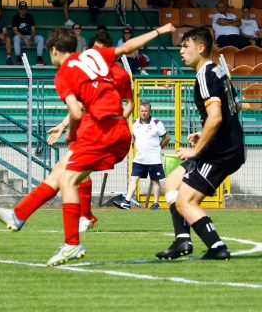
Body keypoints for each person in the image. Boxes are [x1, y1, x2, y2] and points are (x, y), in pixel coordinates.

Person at [0, 23, 176, 266]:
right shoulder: (93, 55)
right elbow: (129, 46)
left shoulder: (63, 74)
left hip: (101, 129)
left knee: (68, 180)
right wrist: (160, 31)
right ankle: (18, 215)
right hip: (112, 128)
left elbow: (76, 112)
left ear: (53, 50)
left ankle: (72, 244)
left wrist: (71, 134)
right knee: (59, 173)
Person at [156, 26, 244, 261]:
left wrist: (196, 149)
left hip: (221, 152)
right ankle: (182, 241)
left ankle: (217, 247)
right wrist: (203, 131)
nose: (181, 51)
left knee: (186, 200)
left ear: (201, 48)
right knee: (172, 184)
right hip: (222, 145)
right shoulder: (218, 71)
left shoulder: (205, 74)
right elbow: (236, 107)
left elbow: (216, 117)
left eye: (185, 46)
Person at [46, 30, 135, 233]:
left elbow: (130, 102)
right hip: (87, 125)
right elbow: (79, 106)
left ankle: (82, 220)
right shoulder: (87, 71)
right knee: (75, 173)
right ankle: (85, 217)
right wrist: (62, 125)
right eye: (94, 49)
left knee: (72, 172)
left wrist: (119, 120)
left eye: (101, 50)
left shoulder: (120, 74)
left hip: (105, 129)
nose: (97, 54)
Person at [113, 101, 170, 210]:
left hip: (154, 160)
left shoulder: (157, 123)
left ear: (150, 111)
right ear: (139, 111)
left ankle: (156, 204)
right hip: (139, 159)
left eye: (146, 111)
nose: (144, 113)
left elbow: (166, 138)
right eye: (142, 111)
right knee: (133, 179)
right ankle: (127, 202)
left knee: (155, 181)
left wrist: (159, 148)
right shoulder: (135, 124)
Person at [12, 1, 45, 65]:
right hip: (21, 38)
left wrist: (31, 39)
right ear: (18, 9)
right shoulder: (15, 17)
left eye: (24, 8)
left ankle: (39, 59)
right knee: (16, 38)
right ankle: (19, 59)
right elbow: (15, 31)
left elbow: (33, 30)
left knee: (40, 38)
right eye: (21, 8)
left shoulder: (30, 17)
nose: (23, 10)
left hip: (29, 37)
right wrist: (25, 39)